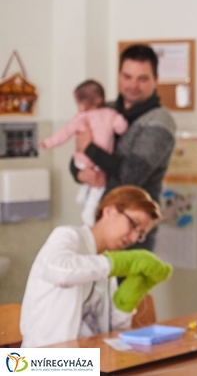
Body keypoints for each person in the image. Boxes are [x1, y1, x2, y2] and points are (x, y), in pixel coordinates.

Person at [20, 185, 173, 347]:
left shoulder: (104, 261)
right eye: (134, 225)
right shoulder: (68, 236)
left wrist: (127, 300)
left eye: (140, 234)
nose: (134, 238)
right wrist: (122, 263)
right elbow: (61, 271)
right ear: (109, 211)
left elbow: (111, 330)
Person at [71, 44, 176, 251]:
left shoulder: (160, 122)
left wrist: (91, 149)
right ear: (119, 75)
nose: (133, 85)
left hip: (133, 229)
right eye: (127, 77)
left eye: (142, 79)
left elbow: (131, 174)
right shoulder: (105, 109)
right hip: (99, 223)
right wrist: (79, 174)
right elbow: (77, 154)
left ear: (156, 80)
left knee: (124, 284)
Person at [39, 80, 128, 226]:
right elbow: (122, 128)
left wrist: (48, 143)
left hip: (81, 160)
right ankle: (87, 203)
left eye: (79, 103)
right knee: (98, 184)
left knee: (92, 178)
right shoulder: (111, 114)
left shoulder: (81, 118)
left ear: (85, 103)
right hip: (100, 162)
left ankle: (85, 201)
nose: (78, 107)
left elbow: (64, 133)